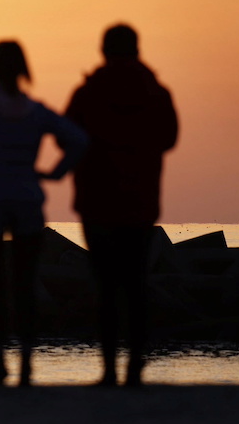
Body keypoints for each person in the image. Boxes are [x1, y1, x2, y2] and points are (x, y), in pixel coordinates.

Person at [0, 40, 87, 387]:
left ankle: (0, 361)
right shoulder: (37, 112)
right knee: (25, 283)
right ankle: (28, 361)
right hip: (27, 199)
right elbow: (78, 140)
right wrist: (55, 173)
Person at [65, 24, 178, 388]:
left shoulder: (89, 93)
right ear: (137, 50)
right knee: (136, 286)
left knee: (106, 288)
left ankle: (110, 369)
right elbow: (170, 137)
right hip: (139, 203)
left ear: (103, 51)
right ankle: (135, 369)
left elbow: (68, 135)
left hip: (97, 202)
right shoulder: (156, 92)